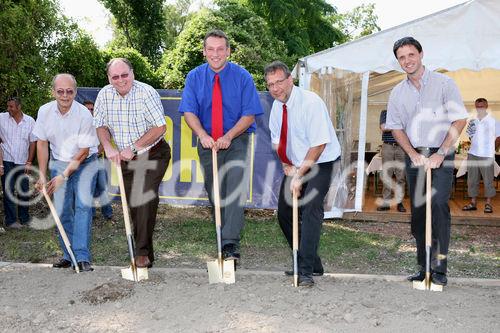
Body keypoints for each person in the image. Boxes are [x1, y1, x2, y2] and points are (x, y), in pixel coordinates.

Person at [386, 37, 467, 286]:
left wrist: (441, 152)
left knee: (439, 206)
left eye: (411, 55)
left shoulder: (444, 84)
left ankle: (439, 269)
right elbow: (396, 128)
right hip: (415, 156)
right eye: (402, 57)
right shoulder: (397, 93)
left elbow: (459, 120)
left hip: (441, 154)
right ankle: (424, 268)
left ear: (421, 54)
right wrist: (412, 153)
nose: (407, 61)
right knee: (419, 212)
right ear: (398, 61)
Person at [178, 30, 263, 261]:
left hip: (237, 139)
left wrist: (229, 136)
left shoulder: (243, 76)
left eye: (220, 49)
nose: (216, 54)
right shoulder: (194, 77)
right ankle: (222, 231)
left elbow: (249, 115)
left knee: (233, 189)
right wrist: (203, 135)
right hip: (207, 141)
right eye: (211, 49)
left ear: (228, 51)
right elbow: (188, 111)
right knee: (216, 192)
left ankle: (229, 244)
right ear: (204, 51)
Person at [264, 61, 341, 287]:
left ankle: (305, 270)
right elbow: (278, 142)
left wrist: (299, 175)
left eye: (279, 82)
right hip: (296, 163)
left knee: (310, 210)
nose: (276, 88)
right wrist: (286, 165)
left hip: (322, 161)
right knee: (285, 213)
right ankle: (313, 262)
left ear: (291, 80)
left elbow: (318, 145)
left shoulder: (311, 102)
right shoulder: (277, 108)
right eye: (270, 85)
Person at [94, 58, 170, 268]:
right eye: (115, 77)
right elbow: (100, 125)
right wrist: (108, 147)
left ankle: (142, 254)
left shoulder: (146, 92)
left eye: (124, 75)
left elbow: (159, 127)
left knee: (144, 196)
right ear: (109, 78)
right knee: (135, 205)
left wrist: (134, 147)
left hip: (153, 153)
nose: (120, 80)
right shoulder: (104, 95)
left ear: (132, 73)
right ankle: (145, 254)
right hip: (126, 159)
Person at [33, 73, 99, 272]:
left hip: (85, 162)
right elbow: (42, 144)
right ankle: (68, 255)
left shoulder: (84, 115)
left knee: (82, 208)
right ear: (53, 92)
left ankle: (81, 256)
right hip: (59, 161)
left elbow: (83, 151)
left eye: (69, 91)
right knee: (61, 210)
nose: (64, 96)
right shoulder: (44, 111)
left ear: (75, 92)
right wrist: (43, 175)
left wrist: (63, 176)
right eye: (60, 91)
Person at [0, 97, 36, 229]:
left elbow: (33, 142)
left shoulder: (30, 121)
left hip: (22, 161)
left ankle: (24, 218)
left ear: (19, 107)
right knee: (8, 190)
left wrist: (29, 161)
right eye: (8, 106)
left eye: (11, 107)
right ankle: (11, 221)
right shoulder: (2, 118)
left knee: (23, 191)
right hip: (7, 160)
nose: (8, 109)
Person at [462, 98, 497, 213]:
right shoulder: (472, 121)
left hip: (487, 154)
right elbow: (470, 136)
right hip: (473, 153)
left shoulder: (493, 121)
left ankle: (488, 204)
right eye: (477, 106)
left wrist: (493, 147)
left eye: (481, 106)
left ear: (486, 106)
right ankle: (473, 202)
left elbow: (499, 136)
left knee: (488, 180)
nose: (479, 108)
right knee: (472, 180)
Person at [83, 100, 113, 220]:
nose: (90, 111)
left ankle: (108, 213)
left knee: (102, 187)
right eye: (87, 109)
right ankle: (92, 213)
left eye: (92, 109)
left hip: (97, 160)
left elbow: (107, 137)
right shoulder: (79, 122)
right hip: (83, 161)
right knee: (87, 188)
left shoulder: (98, 123)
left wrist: (97, 152)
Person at [377, 109, 406, 212]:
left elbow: (408, 127)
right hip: (388, 146)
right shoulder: (385, 112)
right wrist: (399, 125)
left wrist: (392, 125)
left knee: (401, 176)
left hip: (402, 146)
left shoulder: (405, 112)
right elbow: (383, 127)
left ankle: (399, 202)